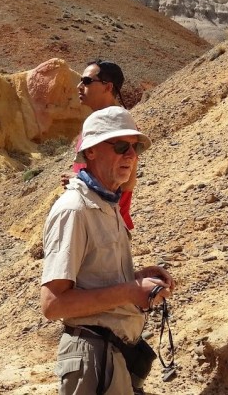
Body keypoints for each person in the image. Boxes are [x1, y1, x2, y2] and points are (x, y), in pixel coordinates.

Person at [42, 106, 174, 395]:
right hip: (93, 358)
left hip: (112, 354)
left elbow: (94, 275)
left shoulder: (106, 202)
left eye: (134, 147)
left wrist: (138, 278)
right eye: (120, 146)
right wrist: (129, 292)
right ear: (90, 152)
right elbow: (53, 305)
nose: (131, 155)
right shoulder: (74, 210)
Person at [70, 60, 137, 230]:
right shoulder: (96, 124)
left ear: (108, 87)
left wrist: (78, 180)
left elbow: (127, 181)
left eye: (86, 81)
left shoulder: (122, 128)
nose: (79, 86)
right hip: (90, 216)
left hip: (107, 223)